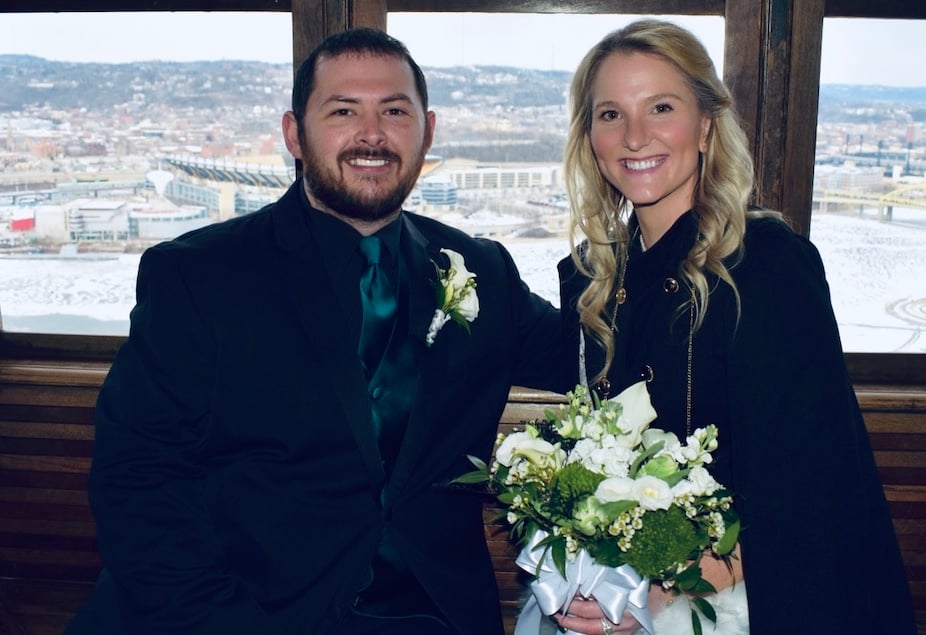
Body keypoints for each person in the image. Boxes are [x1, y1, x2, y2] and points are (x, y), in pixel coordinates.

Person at [66, 27, 568, 635]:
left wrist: (640, 212)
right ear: (293, 134)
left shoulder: (481, 270)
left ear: (428, 131)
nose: (372, 134)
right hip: (244, 615)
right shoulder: (197, 276)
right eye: (343, 111)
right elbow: (138, 484)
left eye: (395, 111)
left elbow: (594, 355)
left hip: (432, 615)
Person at [551, 19, 916, 635]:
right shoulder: (590, 278)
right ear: (590, 137)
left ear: (705, 125)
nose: (635, 136)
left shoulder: (767, 264)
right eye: (610, 114)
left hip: (746, 600)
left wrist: (658, 591)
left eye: (661, 107)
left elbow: (807, 479)